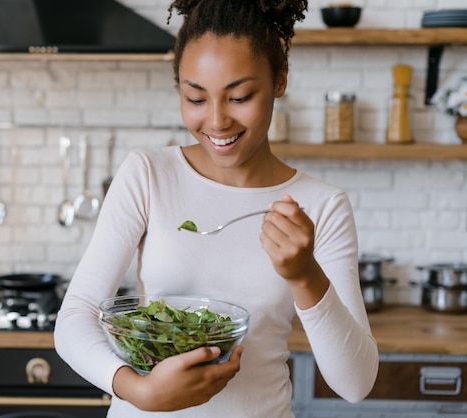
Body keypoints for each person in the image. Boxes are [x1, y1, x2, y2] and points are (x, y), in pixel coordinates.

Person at [54, 0, 379, 416]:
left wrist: (306, 277)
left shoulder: (322, 205)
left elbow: (356, 383)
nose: (217, 121)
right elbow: (75, 316)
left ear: (279, 80)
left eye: (239, 96)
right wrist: (137, 390)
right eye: (195, 98)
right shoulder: (149, 174)